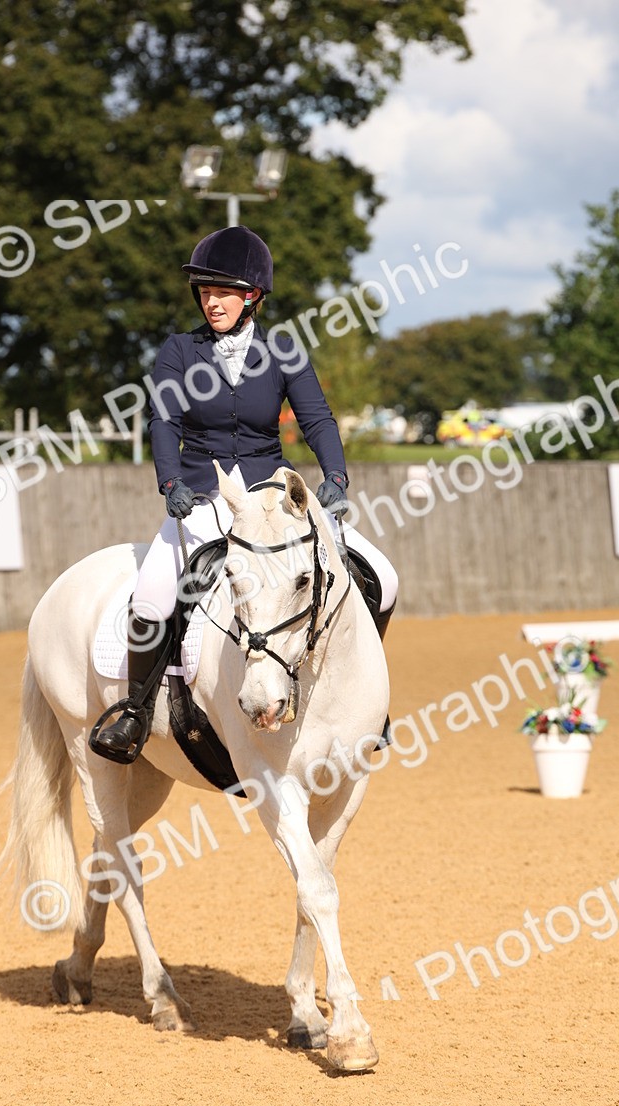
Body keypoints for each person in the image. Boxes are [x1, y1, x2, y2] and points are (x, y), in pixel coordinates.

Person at [93, 225, 398, 758]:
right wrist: (170, 482)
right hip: (203, 495)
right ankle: (137, 711)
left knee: (383, 578)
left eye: (223, 292)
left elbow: (317, 418)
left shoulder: (283, 349)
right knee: (153, 594)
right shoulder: (179, 350)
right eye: (205, 292)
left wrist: (336, 477)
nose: (211, 302)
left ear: (252, 295)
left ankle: (364, 699)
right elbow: (163, 421)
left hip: (270, 497)